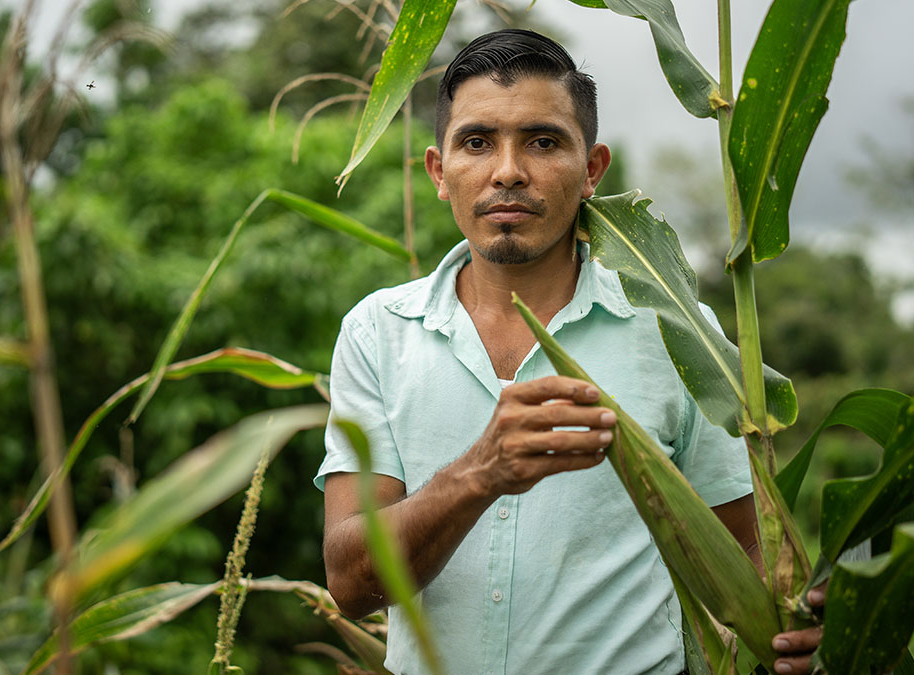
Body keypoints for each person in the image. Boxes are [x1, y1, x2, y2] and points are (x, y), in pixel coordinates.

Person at [315, 29, 821, 675]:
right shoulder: (376, 332)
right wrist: (481, 472)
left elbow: (747, 556)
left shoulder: (676, 328)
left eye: (543, 141)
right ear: (439, 173)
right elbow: (352, 581)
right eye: (476, 142)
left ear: (592, 171)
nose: (507, 171)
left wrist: (799, 628)